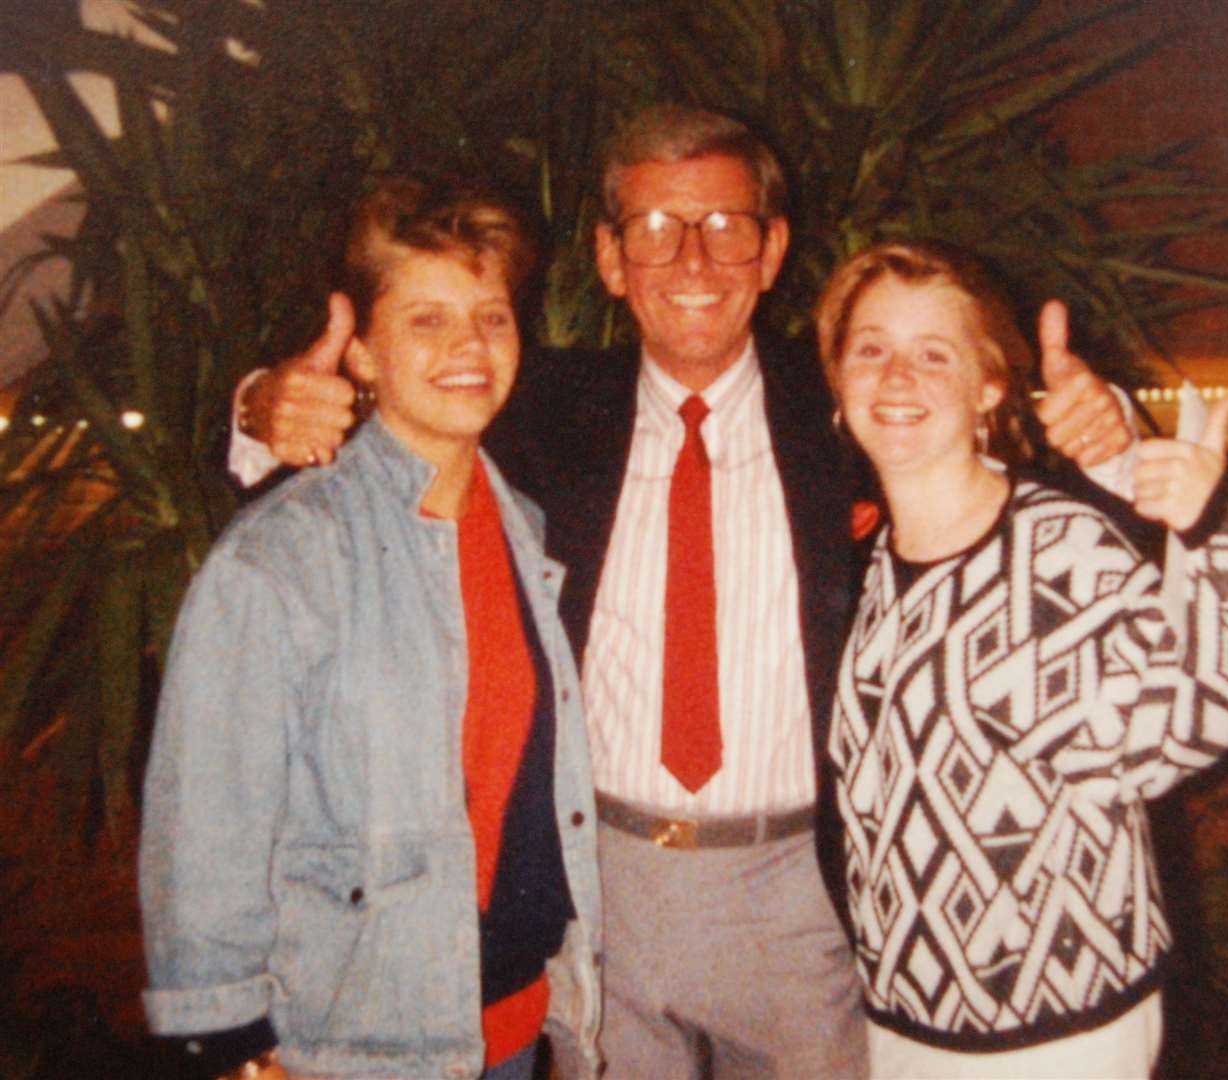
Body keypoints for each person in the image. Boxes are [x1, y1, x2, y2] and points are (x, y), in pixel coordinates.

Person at [230, 105, 1135, 1079]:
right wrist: (264, 413)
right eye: (656, 230)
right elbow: (371, 451)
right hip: (608, 886)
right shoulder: (538, 407)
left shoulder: (851, 402)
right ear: (611, 260)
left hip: (803, 896)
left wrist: (1107, 433)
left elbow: (1014, 506)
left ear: (772, 248)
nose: (693, 262)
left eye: (724, 226)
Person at [140, 177, 602, 1080]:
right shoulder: (284, 555)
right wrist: (231, 1048)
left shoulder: (527, 529)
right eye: (426, 320)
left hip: (515, 1033)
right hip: (350, 1043)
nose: (470, 344)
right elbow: (206, 820)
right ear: (359, 353)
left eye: (492, 315)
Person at [813, 240, 1228, 1079]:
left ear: (989, 386)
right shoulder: (874, 561)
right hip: (902, 1029)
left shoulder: (1057, 548)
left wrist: (1216, 524)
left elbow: (1206, 711)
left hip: (1057, 1038)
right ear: (839, 380)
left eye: (934, 354)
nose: (897, 377)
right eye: (871, 348)